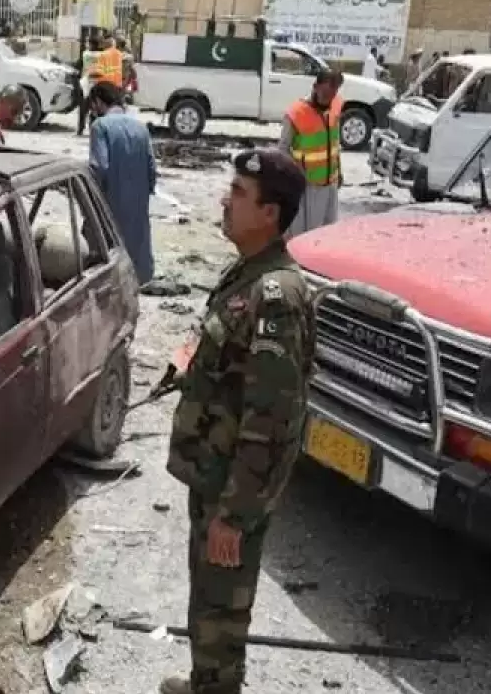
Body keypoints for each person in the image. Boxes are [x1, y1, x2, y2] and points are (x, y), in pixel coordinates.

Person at [161, 147, 313, 694]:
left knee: (223, 613)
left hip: (232, 489)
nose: (226, 200)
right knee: (208, 598)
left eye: (240, 195)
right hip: (212, 473)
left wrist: (235, 514)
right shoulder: (245, 274)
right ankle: (206, 684)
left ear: (270, 213)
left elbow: (273, 420)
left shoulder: (277, 297)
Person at [86, 81, 157, 286]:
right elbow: (151, 168)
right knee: (136, 249)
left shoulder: (100, 126)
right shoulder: (141, 128)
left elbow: (99, 167)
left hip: (110, 202)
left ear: (98, 102)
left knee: (107, 253)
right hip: (137, 202)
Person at [278, 69, 344, 238]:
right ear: (315, 87)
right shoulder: (296, 113)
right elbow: (283, 149)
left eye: (333, 94)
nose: (328, 99)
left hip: (330, 182)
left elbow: (335, 143)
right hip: (308, 185)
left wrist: (340, 171)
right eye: (325, 94)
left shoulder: (336, 105)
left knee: (328, 231)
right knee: (306, 235)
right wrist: (293, 176)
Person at [78, 35, 106, 137]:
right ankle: (94, 130)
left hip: (86, 83)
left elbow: (80, 66)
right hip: (99, 83)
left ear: (91, 44)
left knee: (83, 109)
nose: (86, 45)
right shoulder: (103, 55)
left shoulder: (85, 54)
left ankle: (80, 129)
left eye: (88, 43)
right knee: (97, 109)